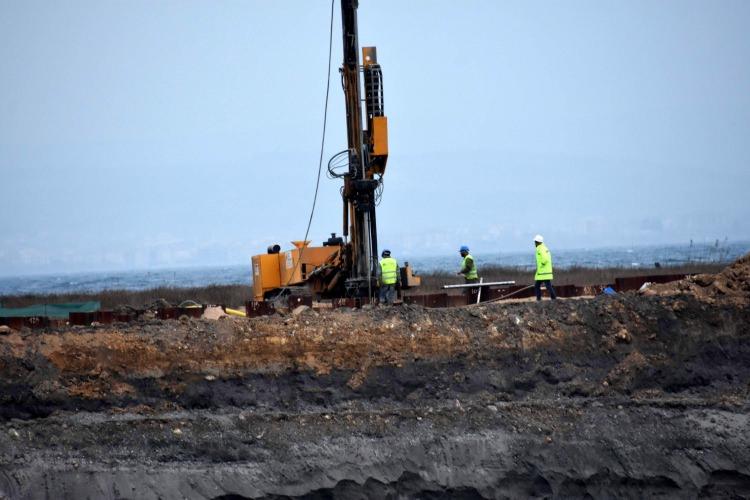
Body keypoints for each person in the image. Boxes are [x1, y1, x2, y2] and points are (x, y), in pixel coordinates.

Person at [534, 234, 557, 301]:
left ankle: (540, 299)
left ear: (537, 242)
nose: (534, 243)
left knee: (539, 286)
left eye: (535, 241)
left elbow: (545, 259)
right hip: (543, 272)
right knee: (545, 286)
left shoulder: (540, 249)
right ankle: (552, 298)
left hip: (543, 272)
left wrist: (542, 264)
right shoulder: (544, 248)